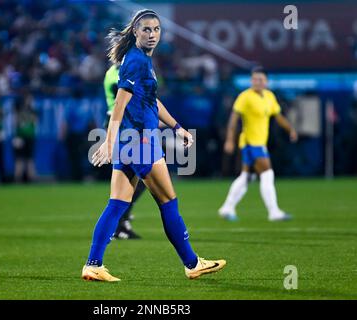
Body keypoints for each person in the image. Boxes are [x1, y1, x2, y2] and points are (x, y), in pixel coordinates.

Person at [82, 9, 226, 282]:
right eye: (146, 29)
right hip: (140, 141)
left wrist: (176, 127)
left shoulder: (140, 61)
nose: (152, 34)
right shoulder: (136, 62)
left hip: (130, 142)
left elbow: (151, 103)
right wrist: (108, 140)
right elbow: (120, 105)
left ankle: (93, 264)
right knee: (168, 201)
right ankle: (192, 263)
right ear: (135, 32)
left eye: (156, 29)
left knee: (116, 204)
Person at [218, 67, 298, 221]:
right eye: (254, 79)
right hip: (250, 142)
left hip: (259, 142)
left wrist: (290, 130)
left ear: (266, 82)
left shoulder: (269, 96)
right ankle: (274, 212)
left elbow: (278, 116)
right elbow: (233, 119)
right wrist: (229, 139)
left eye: (260, 79)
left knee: (247, 177)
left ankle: (227, 207)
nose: (257, 82)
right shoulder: (245, 97)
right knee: (267, 174)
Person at [103, 63, 143, 240]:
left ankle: (120, 222)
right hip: (122, 125)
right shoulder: (117, 74)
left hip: (127, 125)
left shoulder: (116, 71)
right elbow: (124, 100)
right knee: (141, 177)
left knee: (134, 178)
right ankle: (120, 221)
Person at [13, 92, 37, 183]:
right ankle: (17, 179)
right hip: (20, 137)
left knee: (30, 159)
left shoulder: (33, 111)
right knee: (19, 159)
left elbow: (35, 123)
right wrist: (16, 136)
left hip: (30, 137)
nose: (31, 101)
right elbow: (15, 123)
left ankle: (31, 179)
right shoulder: (18, 110)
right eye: (29, 99)